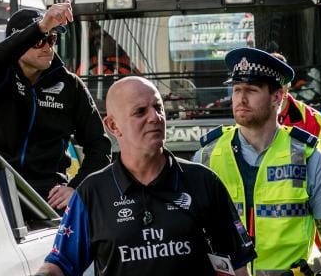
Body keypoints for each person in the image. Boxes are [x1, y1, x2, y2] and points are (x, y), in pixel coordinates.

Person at [33, 77, 256, 276]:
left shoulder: (204, 182)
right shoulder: (92, 192)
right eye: (140, 111)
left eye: (158, 107)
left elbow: (237, 266)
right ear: (113, 125)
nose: (155, 117)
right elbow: (60, 265)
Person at [193, 48, 321, 276]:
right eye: (237, 90)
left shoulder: (310, 159)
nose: (241, 99)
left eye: (251, 90)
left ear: (277, 97)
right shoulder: (206, 156)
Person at [0, 3, 110, 211]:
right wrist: (41, 26)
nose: (47, 47)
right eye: (39, 41)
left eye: (52, 39)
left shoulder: (70, 85)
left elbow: (99, 146)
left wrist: (76, 188)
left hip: (49, 201)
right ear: (18, 43)